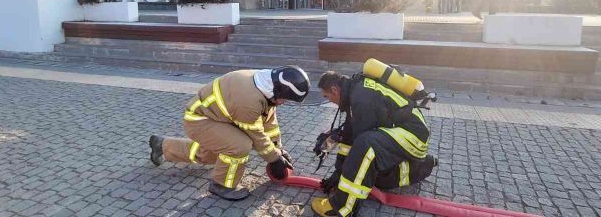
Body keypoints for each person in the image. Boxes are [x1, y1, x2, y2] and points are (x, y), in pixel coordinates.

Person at [148, 66, 310, 200]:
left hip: (216, 118)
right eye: (285, 99)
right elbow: (257, 137)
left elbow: (269, 124)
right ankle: (221, 185)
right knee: (239, 146)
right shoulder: (250, 100)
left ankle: (162, 145)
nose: (284, 103)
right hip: (199, 120)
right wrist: (274, 159)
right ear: (278, 91)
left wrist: (278, 149)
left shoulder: (265, 86)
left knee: (210, 155)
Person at [311, 71, 437, 217]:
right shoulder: (354, 92)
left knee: (366, 145)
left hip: (414, 136)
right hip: (399, 131)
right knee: (369, 176)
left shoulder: (361, 97)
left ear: (334, 89)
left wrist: (342, 182)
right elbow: (349, 139)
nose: (330, 101)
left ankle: (342, 207)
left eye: (327, 97)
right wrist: (338, 174)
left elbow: (360, 146)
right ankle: (422, 166)